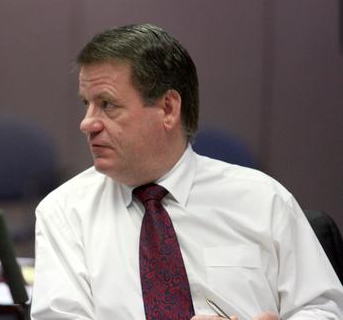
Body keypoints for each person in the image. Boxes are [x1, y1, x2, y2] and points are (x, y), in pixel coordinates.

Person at [30, 24, 343, 319]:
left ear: (168, 108)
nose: (88, 123)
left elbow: (323, 308)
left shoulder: (263, 200)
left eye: (107, 105)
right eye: (87, 103)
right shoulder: (65, 213)